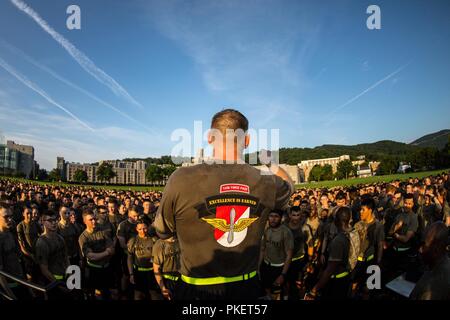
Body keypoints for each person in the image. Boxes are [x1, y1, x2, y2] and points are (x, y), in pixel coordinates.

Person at [154, 109, 294, 300]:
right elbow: (290, 188)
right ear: (247, 141)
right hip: (246, 288)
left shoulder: (180, 178)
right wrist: (271, 163)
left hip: (195, 288)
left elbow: (163, 231)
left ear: (210, 138)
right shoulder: (266, 181)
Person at [305, 206, 352, 300]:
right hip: (347, 276)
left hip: (336, 280)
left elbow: (330, 269)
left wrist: (314, 290)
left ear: (336, 220)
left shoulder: (338, 241)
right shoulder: (353, 232)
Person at [351, 195, 384, 299]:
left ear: (370, 210)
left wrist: (378, 262)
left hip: (371, 261)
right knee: (353, 286)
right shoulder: (357, 225)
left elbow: (380, 244)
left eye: (363, 209)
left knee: (368, 289)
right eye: (360, 209)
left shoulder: (378, 226)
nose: (360, 212)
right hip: (357, 262)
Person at [78, 209, 115, 300]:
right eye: (90, 220)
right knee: (97, 295)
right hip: (94, 270)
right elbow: (91, 256)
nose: (94, 221)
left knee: (108, 293)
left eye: (94, 218)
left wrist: (104, 253)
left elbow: (112, 249)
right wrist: (106, 252)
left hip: (106, 267)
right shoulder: (83, 237)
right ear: (84, 221)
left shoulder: (102, 231)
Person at [258, 210, 294, 300]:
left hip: (279, 267)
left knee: (277, 292)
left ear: (281, 218)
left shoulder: (286, 232)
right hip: (266, 265)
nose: (273, 219)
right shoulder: (267, 230)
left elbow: (289, 255)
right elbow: (262, 249)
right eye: (271, 216)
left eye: (276, 216)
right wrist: (258, 267)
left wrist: (283, 274)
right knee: (266, 287)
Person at [35, 211, 70, 299]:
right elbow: (44, 270)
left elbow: (65, 257)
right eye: (50, 220)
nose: (53, 223)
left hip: (65, 278)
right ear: (43, 222)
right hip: (52, 282)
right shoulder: (41, 243)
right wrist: (58, 284)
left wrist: (69, 275)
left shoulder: (60, 238)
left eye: (55, 220)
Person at [410, 222, 450, 300]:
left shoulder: (434, 287)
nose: (420, 250)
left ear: (436, 249)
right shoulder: (435, 265)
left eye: (424, 245)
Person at [0, 203, 31, 300]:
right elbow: (0, 274)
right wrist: (11, 296)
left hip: (21, 282)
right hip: (10, 287)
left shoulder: (11, 231)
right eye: (6, 217)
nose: (10, 219)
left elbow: (19, 258)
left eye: (11, 216)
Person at [127, 220, 159, 300]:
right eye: (140, 229)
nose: (143, 231)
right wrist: (131, 274)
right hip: (138, 272)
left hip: (152, 272)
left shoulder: (154, 239)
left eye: (144, 228)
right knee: (138, 294)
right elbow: (130, 258)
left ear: (147, 228)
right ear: (136, 229)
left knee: (154, 294)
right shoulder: (132, 241)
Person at [16, 205, 42, 280]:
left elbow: (42, 235)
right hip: (27, 256)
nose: (29, 215)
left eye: (31, 213)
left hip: (37, 253)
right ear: (23, 214)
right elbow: (21, 246)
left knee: (39, 275)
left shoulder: (35, 224)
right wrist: (31, 256)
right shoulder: (20, 226)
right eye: (27, 213)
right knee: (30, 277)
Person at [152, 235, 181, 300]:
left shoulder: (181, 239)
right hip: (169, 282)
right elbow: (156, 268)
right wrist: (163, 287)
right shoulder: (159, 244)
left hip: (183, 281)